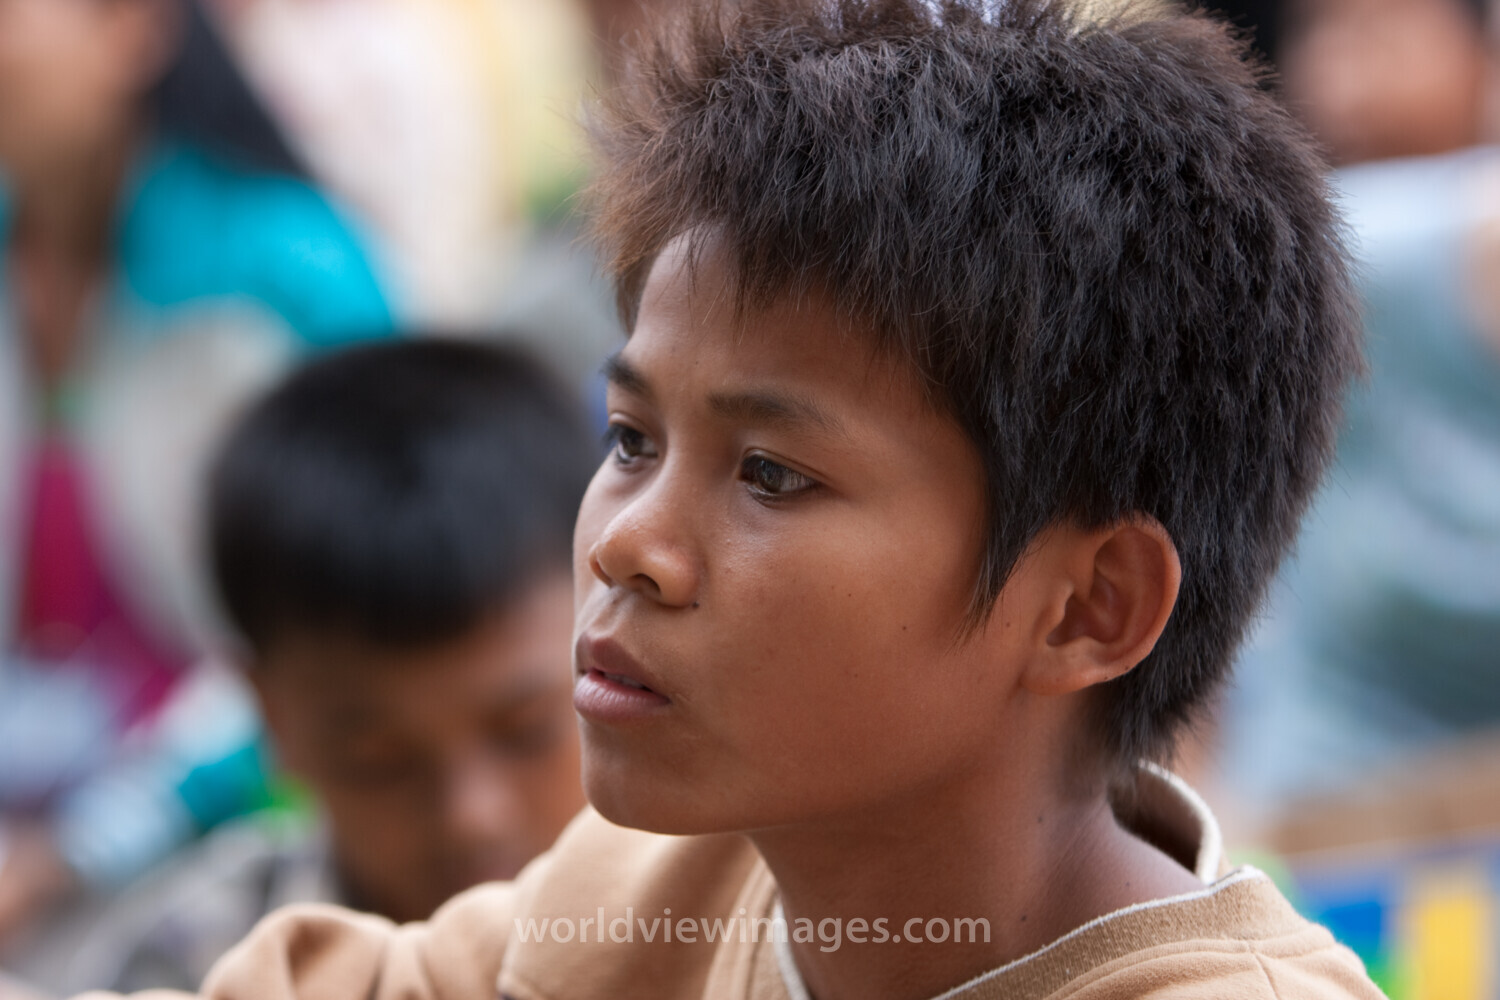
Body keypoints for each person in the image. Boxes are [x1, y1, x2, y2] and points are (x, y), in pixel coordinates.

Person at [61, 1, 1383, 997]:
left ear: (1087, 608)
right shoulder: (660, 894)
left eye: (770, 473)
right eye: (632, 437)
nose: (627, 546)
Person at [12, 339, 592, 992]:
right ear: (271, 717)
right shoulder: (202, 961)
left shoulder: (702, 922)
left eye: (528, 730)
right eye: (379, 760)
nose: (471, 814)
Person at [0, 0, 392, 943]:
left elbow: (351, 625)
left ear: (129, 26)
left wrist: (77, 851)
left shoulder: (289, 278)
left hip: (248, 847)